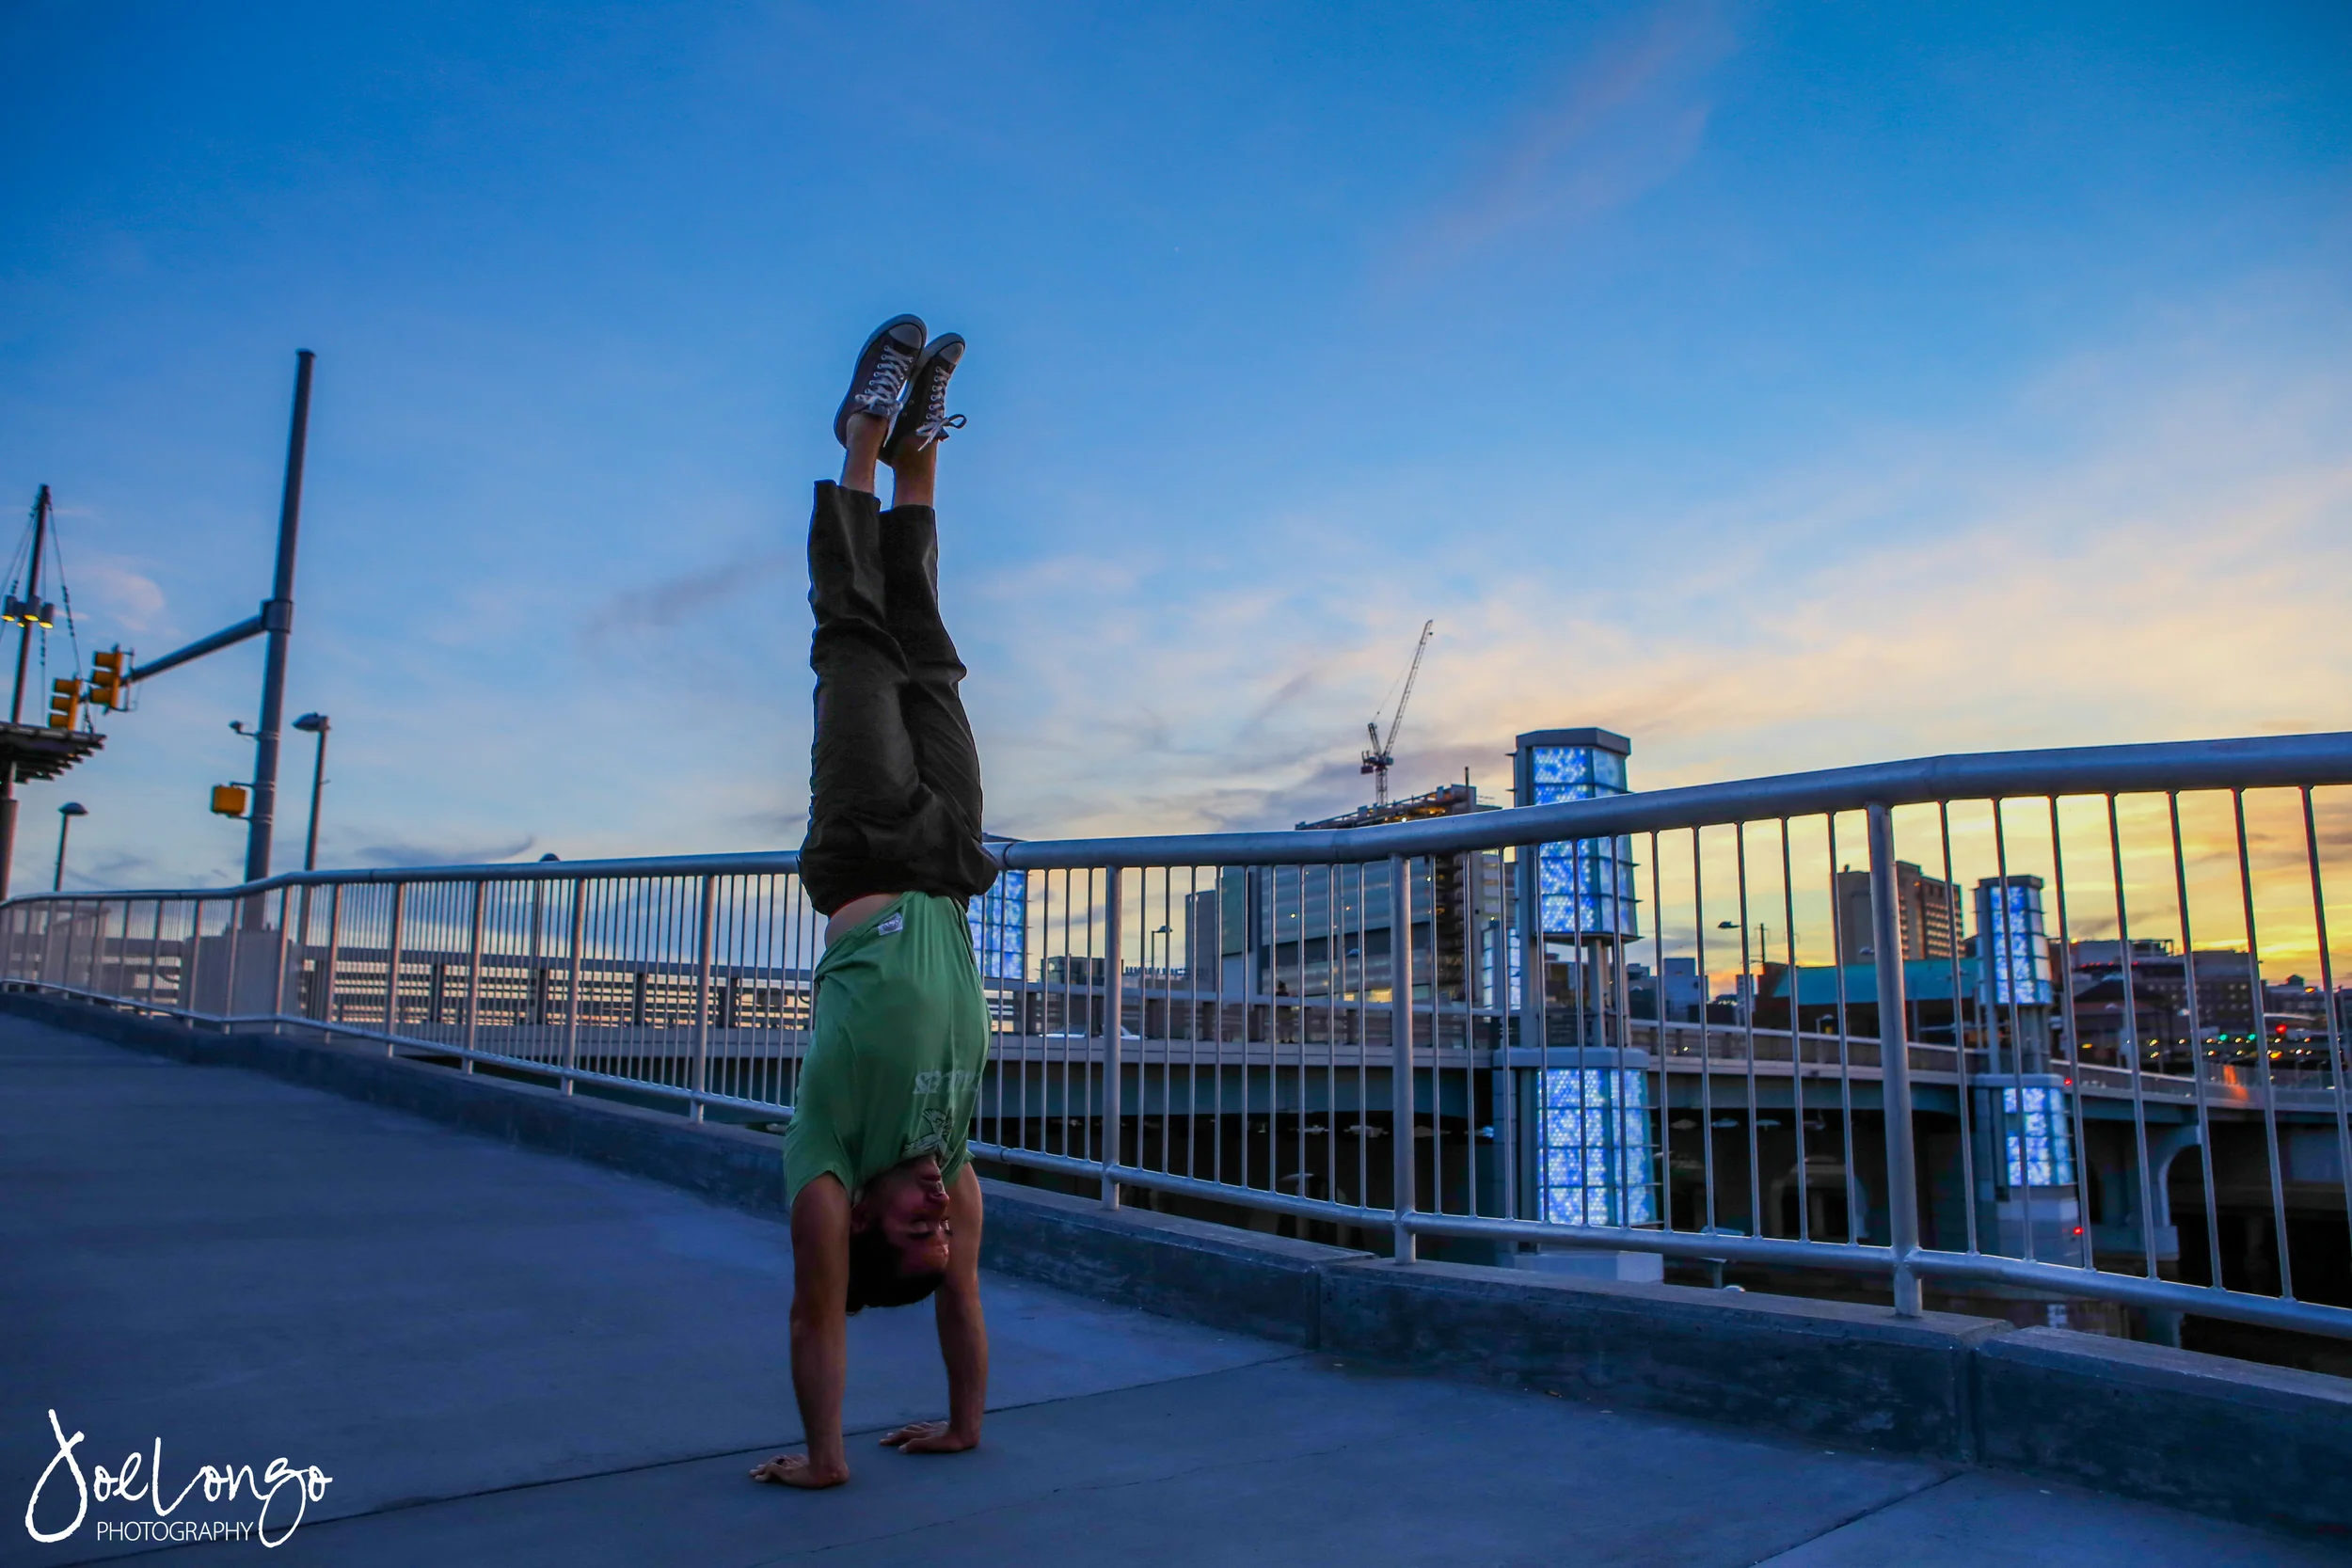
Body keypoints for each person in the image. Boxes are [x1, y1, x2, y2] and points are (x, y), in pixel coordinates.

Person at [750, 315, 995, 1491]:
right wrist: (961, 1423)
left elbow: (815, 1315)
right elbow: (962, 1298)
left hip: (861, 848)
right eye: (940, 1232)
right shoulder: (947, 1166)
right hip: (950, 859)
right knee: (932, 652)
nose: (937, 1217)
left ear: (857, 1225)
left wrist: (828, 1455)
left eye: (916, 1229)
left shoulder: (829, 1166)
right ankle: (921, 454)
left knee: (855, 637)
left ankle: (860, 434)